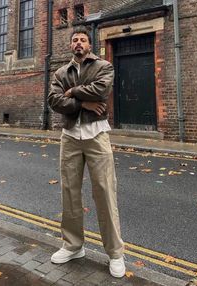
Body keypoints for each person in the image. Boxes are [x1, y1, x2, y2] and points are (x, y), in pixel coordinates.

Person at [48, 25, 125, 278]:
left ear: (89, 45)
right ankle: (73, 246)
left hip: (97, 135)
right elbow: (54, 101)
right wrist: (84, 102)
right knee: (69, 192)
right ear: (70, 46)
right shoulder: (60, 72)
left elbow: (102, 90)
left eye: (82, 39)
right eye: (75, 40)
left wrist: (72, 92)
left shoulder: (104, 66)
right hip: (70, 136)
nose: (78, 43)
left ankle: (115, 253)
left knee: (104, 191)